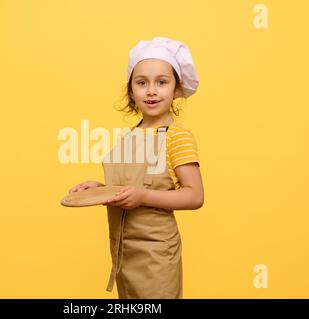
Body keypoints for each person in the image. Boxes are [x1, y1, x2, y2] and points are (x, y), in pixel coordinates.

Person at [68, 37, 204, 299]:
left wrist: (143, 197)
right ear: (131, 90)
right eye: (142, 83)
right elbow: (129, 185)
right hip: (123, 253)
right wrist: (99, 189)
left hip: (156, 256)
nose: (151, 91)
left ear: (177, 88)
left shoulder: (177, 136)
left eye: (162, 82)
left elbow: (195, 196)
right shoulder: (130, 135)